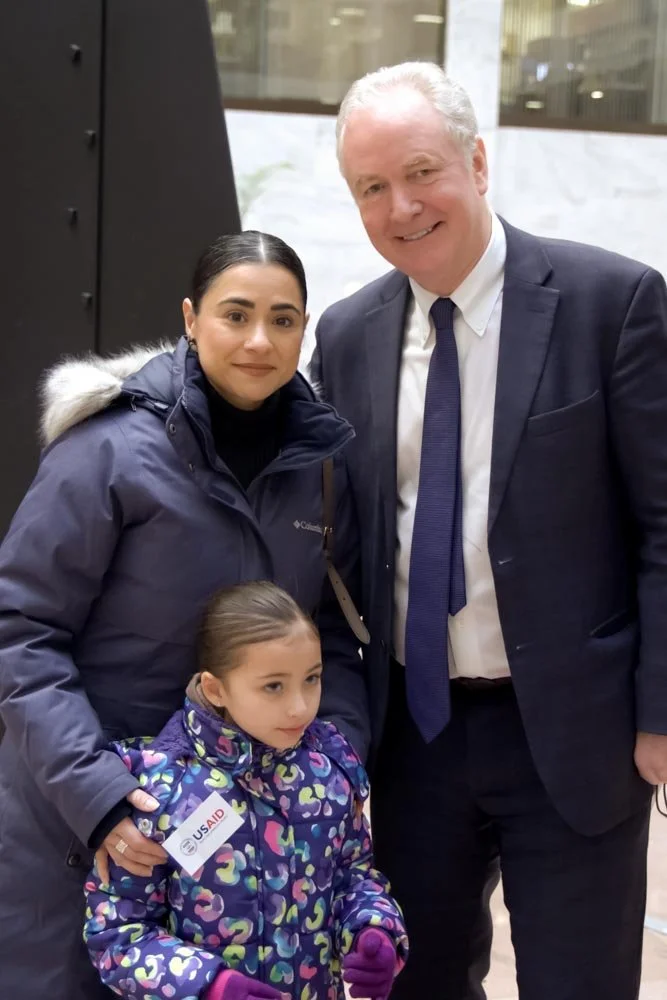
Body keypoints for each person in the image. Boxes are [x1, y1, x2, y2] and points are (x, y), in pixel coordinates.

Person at [310, 61, 667, 1000]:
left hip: (575, 731)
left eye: (420, 172)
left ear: (475, 161)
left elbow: (663, 524)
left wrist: (659, 713)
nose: (400, 207)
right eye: (371, 187)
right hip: (413, 734)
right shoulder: (345, 335)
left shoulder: (611, 302)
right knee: (416, 983)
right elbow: (337, 544)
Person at [0, 231, 367, 1000]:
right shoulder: (106, 452)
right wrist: (99, 797)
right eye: (236, 314)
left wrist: (335, 760)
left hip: (244, 854)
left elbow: (330, 632)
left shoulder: (320, 470)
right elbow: (22, 631)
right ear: (191, 319)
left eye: (282, 319)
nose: (259, 340)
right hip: (95, 826)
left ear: (304, 329)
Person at [83, 580, 408, 1000]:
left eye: (312, 678)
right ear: (216, 689)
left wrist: (375, 930)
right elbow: (119, 934)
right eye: (274, 686)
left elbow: (353, 876)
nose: (300, 706)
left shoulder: (329, 772)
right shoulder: (160, 790)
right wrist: (210, 986)